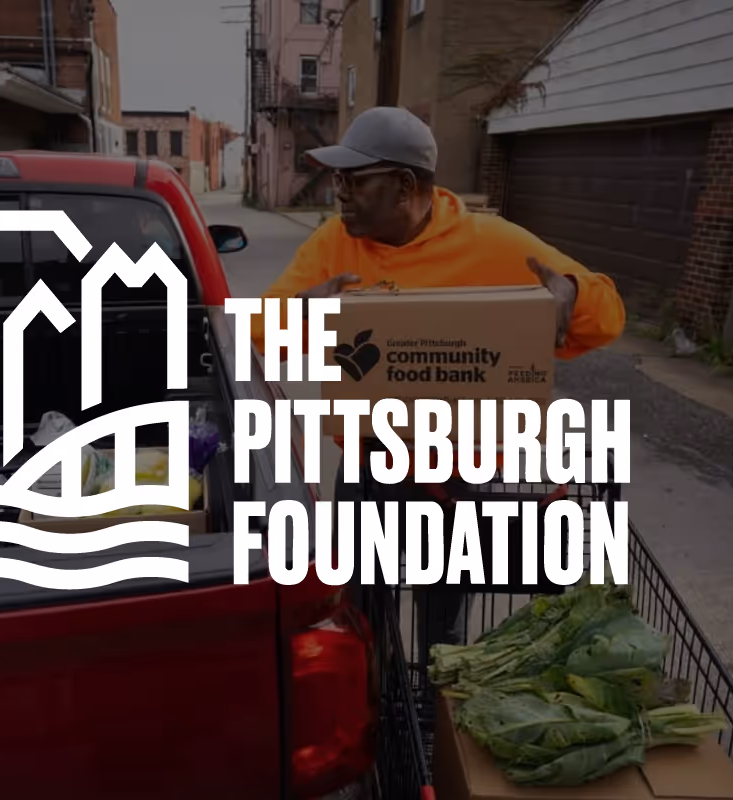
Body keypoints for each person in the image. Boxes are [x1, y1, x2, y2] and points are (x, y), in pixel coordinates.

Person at [249, 106, 627, 675]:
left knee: (444, 614)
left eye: (354, 181)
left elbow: (608, 317)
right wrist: (302, 313)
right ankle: (378, 702)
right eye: (337, 180)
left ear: (405, 185)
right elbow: (259, 332)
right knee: (364, 610)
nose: (339, 194)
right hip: (375, 462)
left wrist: (570, 292)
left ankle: (433, 694)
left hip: (468, 471)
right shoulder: (335, 244)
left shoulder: (494, 243)